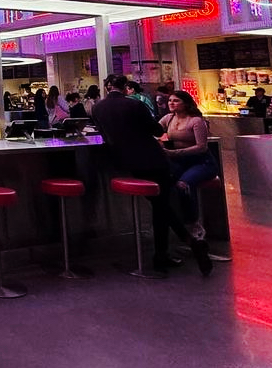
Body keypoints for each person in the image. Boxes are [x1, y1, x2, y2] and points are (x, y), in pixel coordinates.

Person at [90, 75, 212, 276]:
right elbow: (156, 130)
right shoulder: (134, 105)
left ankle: (170, 251)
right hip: (152, 159)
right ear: (126, 87)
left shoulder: (98, 108)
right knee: (161, 205)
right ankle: (174, 249)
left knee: (160, 206)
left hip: (125, 162)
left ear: (107, 87)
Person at [158, 89, 220, 239]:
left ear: (185, 103)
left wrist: (175, 153)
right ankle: (178, 224)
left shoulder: (196, 121)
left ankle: (193, 224)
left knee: (183, 185)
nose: (171, 103)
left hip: (201, 162)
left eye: (176, 101)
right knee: (167, 183)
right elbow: (154, 130)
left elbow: (202, 147)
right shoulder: (168, 118)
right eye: (170, 101)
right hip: (180, 162)